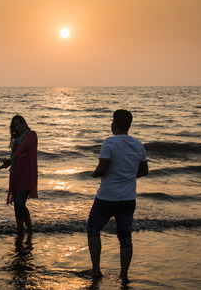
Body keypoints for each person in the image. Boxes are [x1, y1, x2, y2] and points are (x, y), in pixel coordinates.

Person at [85, 110, 148, 282]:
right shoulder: (138, 144)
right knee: (125, 236)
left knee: (93, 228)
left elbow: (103, 167)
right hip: (127, 198)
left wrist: (93, 174)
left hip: (106, 197)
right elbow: (144, 171)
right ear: (129, 125)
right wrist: (127, 176)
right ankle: (124, 275)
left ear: (114, 124)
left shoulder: (109, 142)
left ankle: (96, 270)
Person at [0, 115, 38, 235]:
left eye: (21, 123)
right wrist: (0, 167)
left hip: (26, 175)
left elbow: (21, 149)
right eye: (16, 125)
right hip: (15, 175)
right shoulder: (16, 140)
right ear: (13, 128)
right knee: (16, 206)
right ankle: (20, 229)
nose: (19, 126)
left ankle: (30, 229)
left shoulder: (31, 135)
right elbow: (14, 160)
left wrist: (11, 158)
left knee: (20, 203)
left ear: (25, 122)